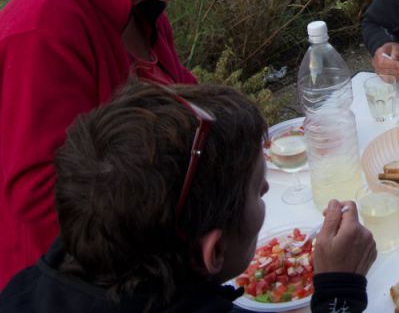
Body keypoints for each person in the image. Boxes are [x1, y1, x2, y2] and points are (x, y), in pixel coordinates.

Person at [0, 0, 215, 287]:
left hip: (147, 243)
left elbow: (191, 109)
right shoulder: (44, 29)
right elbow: (40, 196)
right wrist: (144, 277)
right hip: (73, 278)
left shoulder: (142, 7)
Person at [0, 82, 377, 311]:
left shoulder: (26, 289)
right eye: (255, 191)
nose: (265, 189)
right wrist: (338, 293)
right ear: (213, 253)